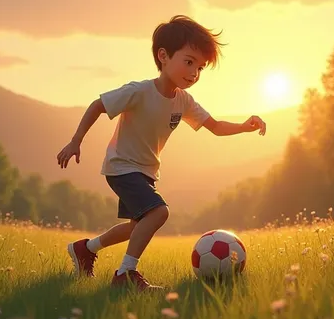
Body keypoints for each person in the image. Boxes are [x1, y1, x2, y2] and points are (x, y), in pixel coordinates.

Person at [56, 15, 266, 292]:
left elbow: (214, 126)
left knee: (137, 227)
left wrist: (244, 126)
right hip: (121, 166)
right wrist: (75, 141)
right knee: (158, 212)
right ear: (163, 56)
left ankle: (86, 249)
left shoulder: (184, 100)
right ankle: (125, 274)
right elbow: (98, 105)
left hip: (145, 170)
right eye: (189, 62)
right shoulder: (140, 91)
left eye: (200, 68)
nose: (194, 73)